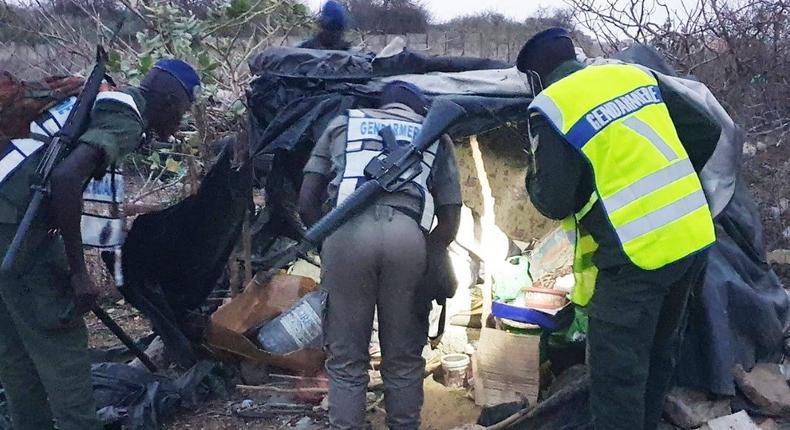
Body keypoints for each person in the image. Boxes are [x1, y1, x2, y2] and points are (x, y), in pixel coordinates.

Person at [517, 28, 721, 430]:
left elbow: (555, 200)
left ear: (536, 78)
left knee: (617, 380)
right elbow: (706, 130)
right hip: (692, 237)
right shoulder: (633, 75)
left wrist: (531, 175)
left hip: (637, 255)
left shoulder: (552, 106)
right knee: (658, 355)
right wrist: (669, 183)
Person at [0, 59, 200, 430]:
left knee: (15, 352)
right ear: (171, 102)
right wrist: (78, 273)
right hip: (15, 232)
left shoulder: (99, 97)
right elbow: (65, 178)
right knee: (63, 350)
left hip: (6, 219)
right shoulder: (124, 116)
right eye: (182, 113)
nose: (177, 127)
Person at [299, 81, 462, 429]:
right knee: (403, 361)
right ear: (419, 111)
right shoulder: (437, 135)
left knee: (346, 362)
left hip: (346, 234)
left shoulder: (343, 123)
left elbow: (307, 201)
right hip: (407, 236)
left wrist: (328, 244)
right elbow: (449, 222)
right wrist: (426, 257)